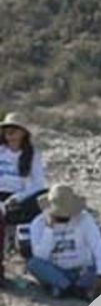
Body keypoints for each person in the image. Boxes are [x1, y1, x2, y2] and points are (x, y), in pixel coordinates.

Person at [26, 185, 101, 299]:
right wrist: (49, 229)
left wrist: (100, 275)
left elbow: (97, 246)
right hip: (57, 271)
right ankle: (76, 289)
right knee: (33, 264)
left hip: (83, 270)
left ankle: (64, 288)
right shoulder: (38, 224)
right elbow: (40, 257)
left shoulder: (84, 219)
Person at [0, 113, 47, 281]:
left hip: (20, 196)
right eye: (7, 129)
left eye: (14, 129)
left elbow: (38, 185)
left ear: (23, 133)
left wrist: (16, 198)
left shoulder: (32, 154)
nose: (10, 133)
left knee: (45, 199)